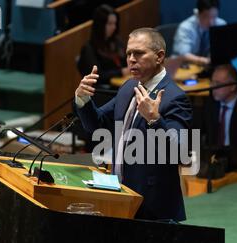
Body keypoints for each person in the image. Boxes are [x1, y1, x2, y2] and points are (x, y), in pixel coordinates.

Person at [74, 28, 193, 222]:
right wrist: (83, 99)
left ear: (159, 56)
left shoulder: (175, 98)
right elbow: (97, 124)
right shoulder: (129, 87)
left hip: (152, 208)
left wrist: (154, 120)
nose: (131, 59)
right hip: (120, 195)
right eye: (128, 53)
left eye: (138, 53)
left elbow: (180, 154)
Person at [77, 4, 129, 85]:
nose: (114, 27)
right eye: (110, 23)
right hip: (105, 90)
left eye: (115, 23)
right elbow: (97, 76)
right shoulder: (89, 48)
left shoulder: (116, 41)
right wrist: (120, 72)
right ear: (100, 25)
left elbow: (126, 61)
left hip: (123, 82)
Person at [172, 0, 226, 66]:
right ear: (198, 13)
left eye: (214, 16)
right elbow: (183, 55)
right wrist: (205, 61)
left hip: (209, 68)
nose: (211, 22)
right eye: (206, 17)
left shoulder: (221, 24)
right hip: (185, 66)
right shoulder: (186, 27)